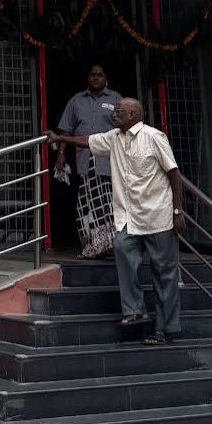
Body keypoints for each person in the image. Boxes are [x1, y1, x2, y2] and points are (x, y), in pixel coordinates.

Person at [52, 97, 186, 344]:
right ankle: (135, 311)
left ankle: (166, 329)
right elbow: (86, 141)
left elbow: (174, 174)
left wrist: (178, 211)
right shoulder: (113, 137)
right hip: (127, 219)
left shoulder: (154, 137)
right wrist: (61, 139)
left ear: (133, 115)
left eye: (119, 112)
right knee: (124, 257)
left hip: (158, 216)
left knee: (164, 275)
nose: (114, 114)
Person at [53, 64, 122, 257]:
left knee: (110, 205)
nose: (96, 78)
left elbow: (125, 127)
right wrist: (61, 154)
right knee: (86, 206)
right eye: (92, 74)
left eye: (100, 75)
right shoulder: (76, 101)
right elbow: (66, 130)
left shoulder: (116, 99)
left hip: (110, 162)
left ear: (106, 78)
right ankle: (92, 247)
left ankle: (111, 247)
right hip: (85, 163)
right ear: (87, 78)